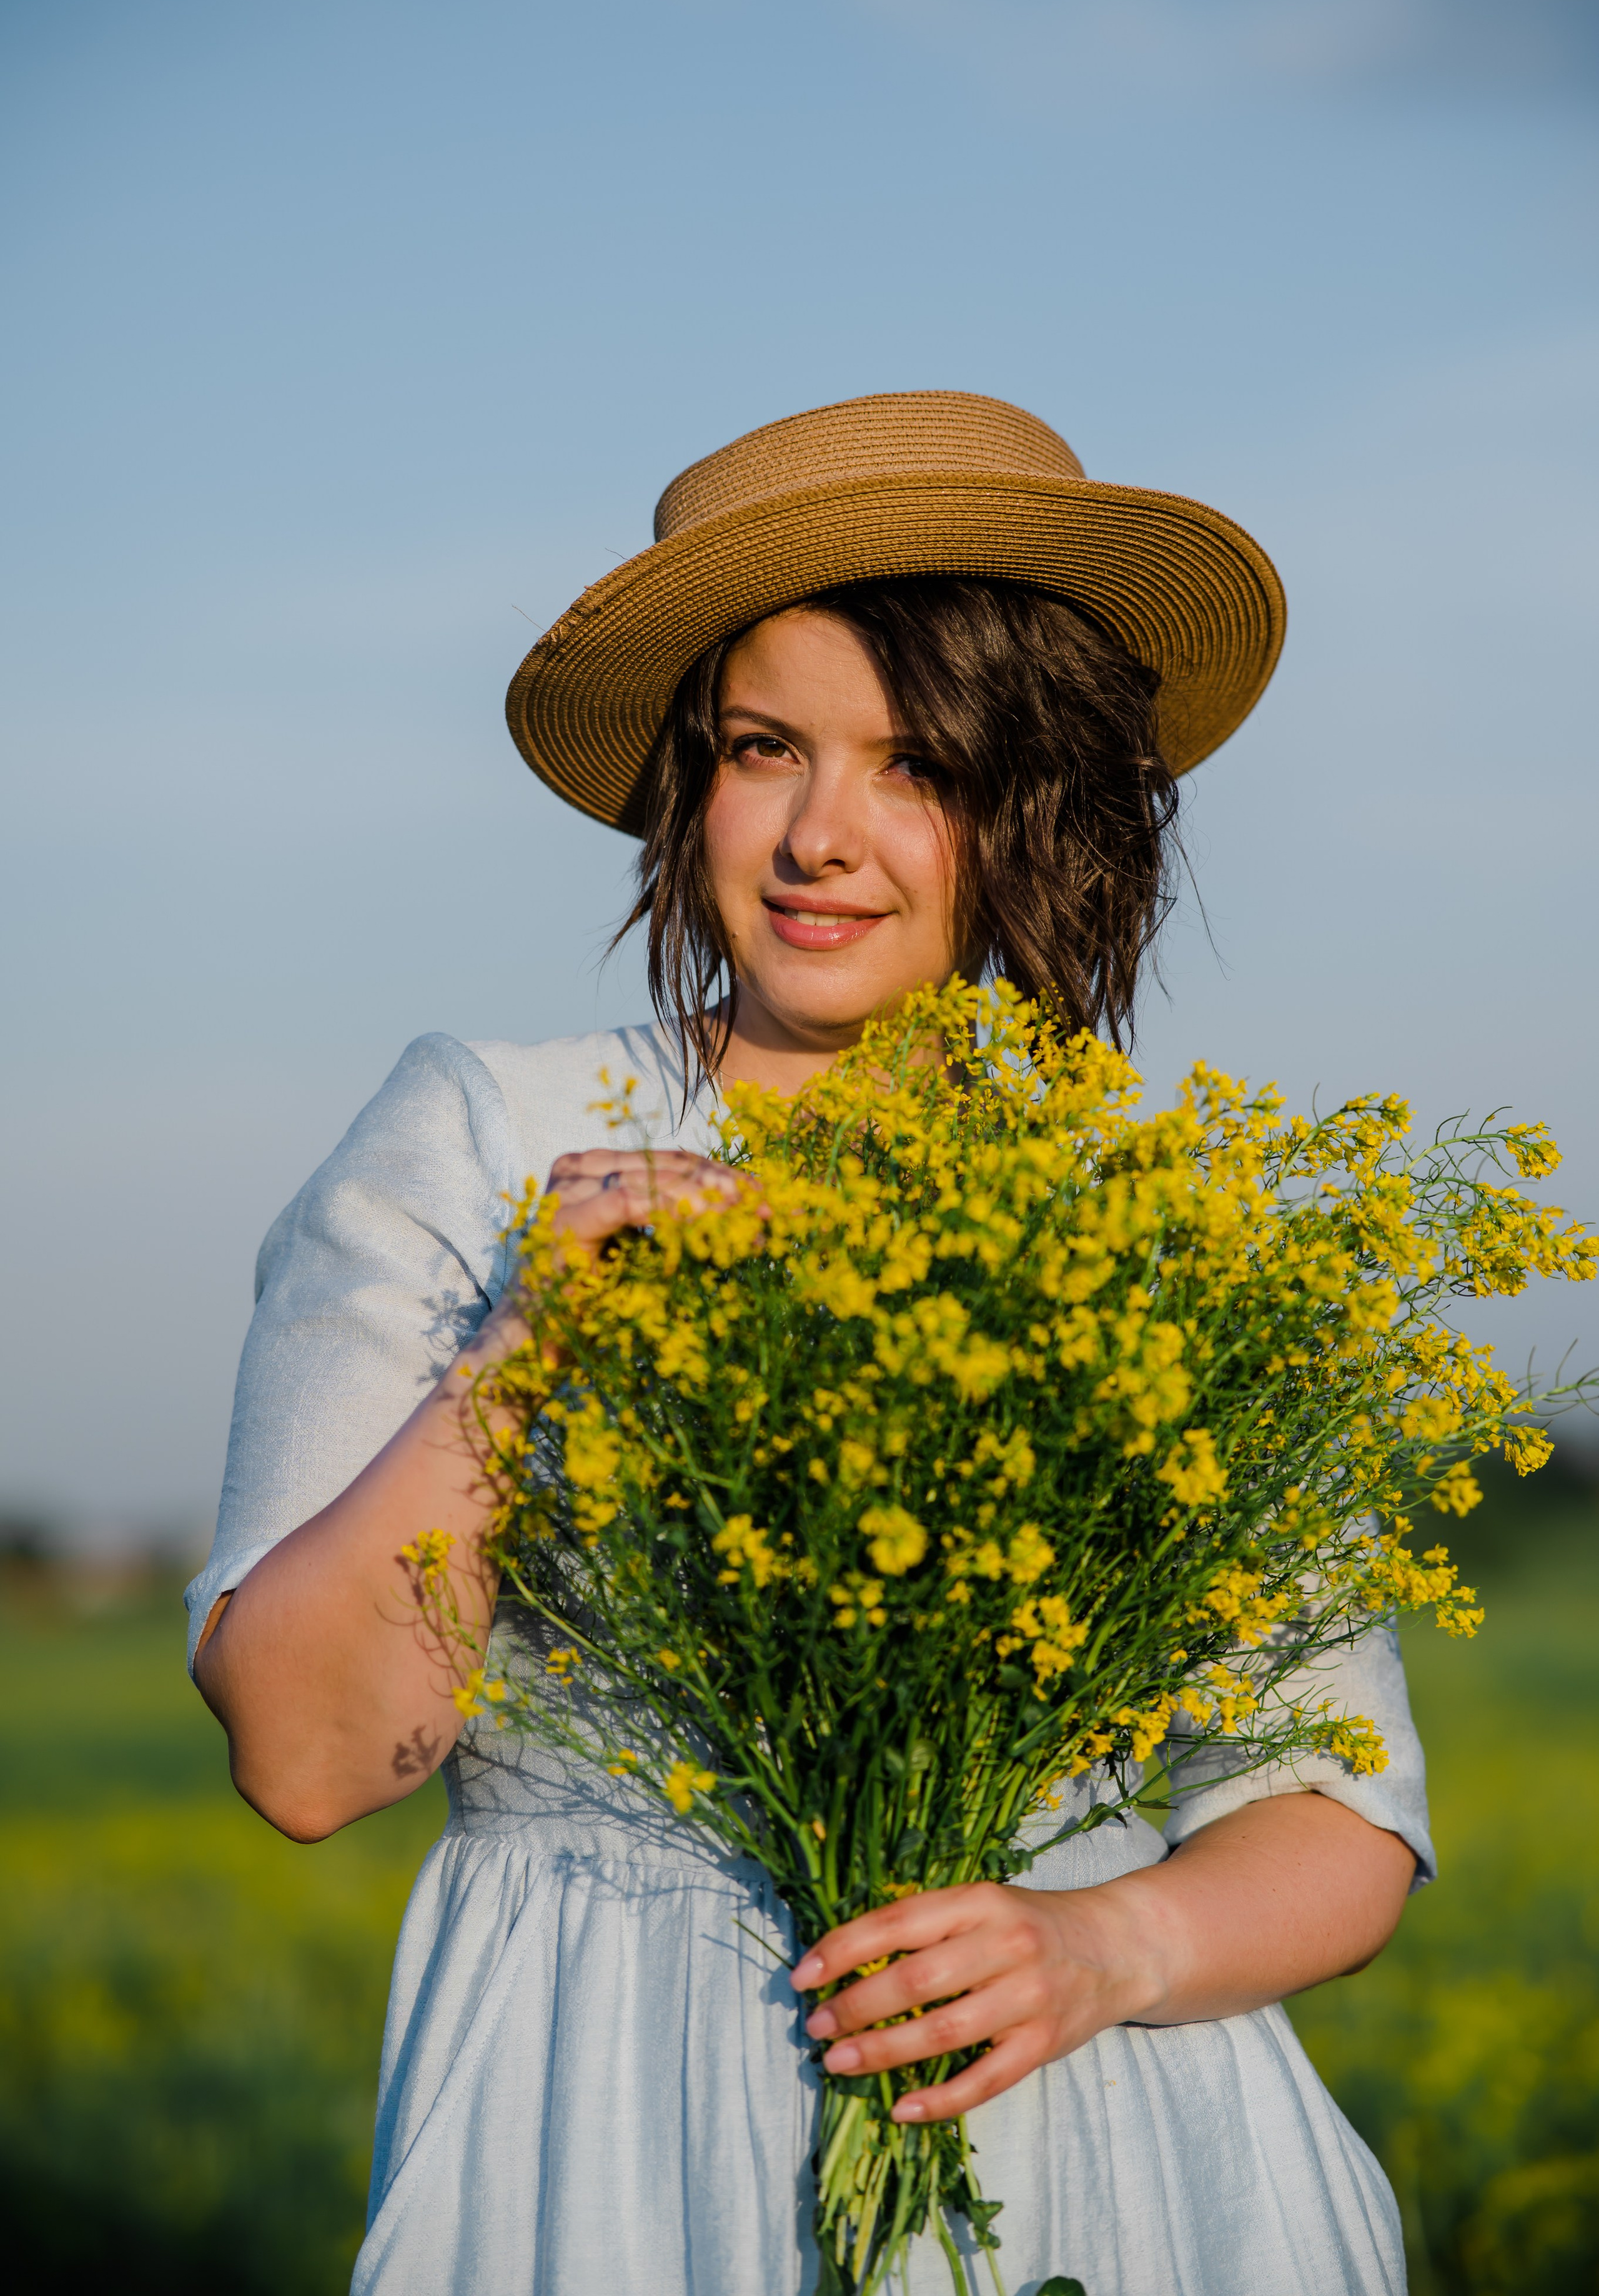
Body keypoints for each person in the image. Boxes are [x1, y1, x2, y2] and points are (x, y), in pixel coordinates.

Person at [190, 392, 1428, 2295]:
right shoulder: (492, 1136)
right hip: (607, 2133)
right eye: (767, 749)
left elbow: (1334, 1823)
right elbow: (304, 1755)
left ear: (1047, 805)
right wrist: (533, 1343)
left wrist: (1106, 1948)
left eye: (919, 766)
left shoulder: (1166, 1222)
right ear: (693, 782)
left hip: (1111, 2134)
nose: (821, 838)